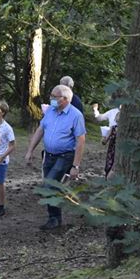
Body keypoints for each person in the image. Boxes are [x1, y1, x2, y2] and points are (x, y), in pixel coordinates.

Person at [24, 84, 86, 230]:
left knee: (49, 185)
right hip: (49, 155)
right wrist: (30, 150)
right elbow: (40, 130)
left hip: (65, 156)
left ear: (64, 99)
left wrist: (75, 166)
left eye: (54, 96)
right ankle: (56, 217)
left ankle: (53, 218)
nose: (50, 99)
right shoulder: (50, 111)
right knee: (50, 185)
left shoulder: (76, 115)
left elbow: (81, 140)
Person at [92, 100, 121, 179]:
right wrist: (95, 110)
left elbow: (104, 141)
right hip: (113, 147)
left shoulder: (114, 125)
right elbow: (100, 117)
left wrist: (105, 138)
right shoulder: (113, 112)